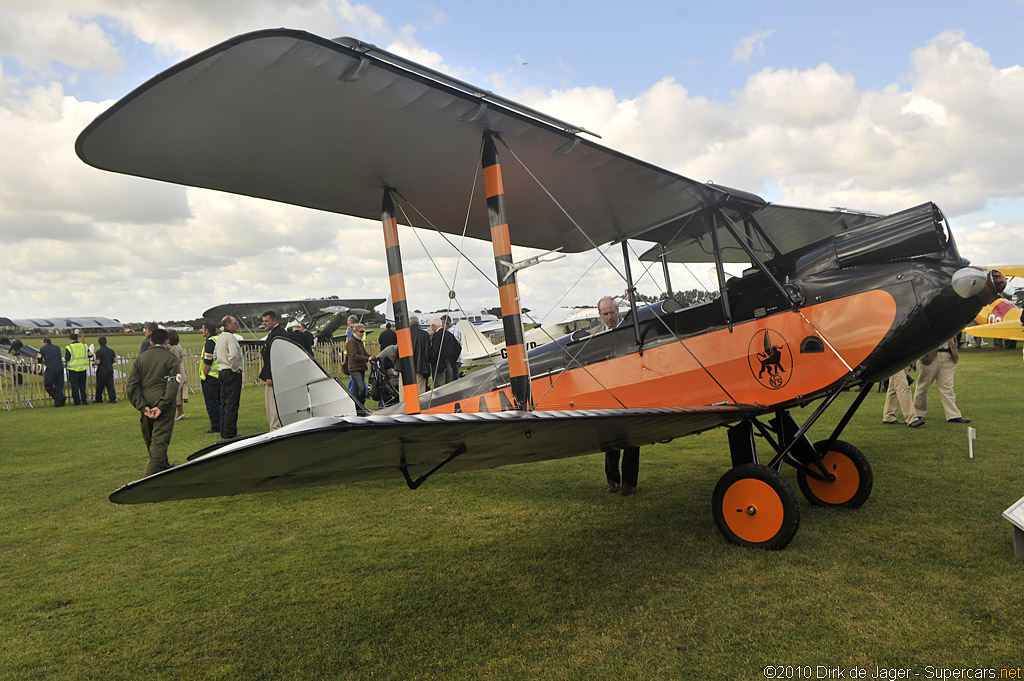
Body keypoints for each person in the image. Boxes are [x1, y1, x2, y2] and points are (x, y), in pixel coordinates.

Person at [596, 295, 640, 496]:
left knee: (631, 440)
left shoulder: (628, 331)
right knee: (610, 441)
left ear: (617, 311)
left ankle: (629, 483)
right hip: (607, 393)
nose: (610, 316)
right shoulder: (596, 338)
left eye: (612, 312)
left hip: (630, 390)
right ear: (600, 315)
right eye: (605, 313)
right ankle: (612, 481)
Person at [125, 328, 181, 476]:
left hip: (145, 401)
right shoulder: (171, 358)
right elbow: (172, 384)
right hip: (163, 402)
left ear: (151, 341)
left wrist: (143, 406)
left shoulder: (141, 359)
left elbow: (132, 386)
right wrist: (162, 406)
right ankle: (151, 475)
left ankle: (163, 464)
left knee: (150, 438)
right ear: (166, 341)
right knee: (159, 440)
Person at [913, 338, 970, 424]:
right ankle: (918, 413)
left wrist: (954, 346)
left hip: (949, 355)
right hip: (929, 356)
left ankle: (953, 415)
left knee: (947, 387)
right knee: (923, 387)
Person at [215, 315, 243, 439]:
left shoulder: (220, 337)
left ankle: (223, 429)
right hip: (231, 372)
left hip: (222, 371)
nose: (236, 325)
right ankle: (230, 432)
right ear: (228, 324)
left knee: (224, 402)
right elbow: (234, 354)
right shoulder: (231, 337)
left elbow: (215, 355)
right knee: (232, 403)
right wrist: (234, 368)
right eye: (234, 323)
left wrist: (221, 364)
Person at [258, 310, 287, 430]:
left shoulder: (278, 333)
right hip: (274, 372)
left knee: (272, 403)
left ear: (274, 320)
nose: (264, 323)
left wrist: (270, 376)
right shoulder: (275, 332)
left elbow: (275, 356)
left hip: (274, 374)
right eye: (263, 321)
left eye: (267, 321)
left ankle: (275, 427)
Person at [199, 322, 221, 434]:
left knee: (212, 403)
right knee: (221, 401)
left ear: (207, 330)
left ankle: (216, 425)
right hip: (221, 375)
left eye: (203, 329)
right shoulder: (219, 339)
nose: (202, 331)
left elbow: (208, 361)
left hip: (211, 377)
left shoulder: (210, 342)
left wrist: (204, 374)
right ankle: (223, 422)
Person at [346, 323, 371, 402]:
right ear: (355, 331)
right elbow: (354, 356)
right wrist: (367, 358)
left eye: (363, 331)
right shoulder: (351, 342)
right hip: (354, 368)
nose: (363, 333)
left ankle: (358, 405)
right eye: (361, 331)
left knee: (357, 389)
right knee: (361, 388)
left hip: (361, 368)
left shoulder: (359, 342)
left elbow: (364, 352)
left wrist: (372, 357)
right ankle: (360, 405)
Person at [38, 337, 66, 407]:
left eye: (41, 342)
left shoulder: (42, 349)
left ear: (45, 342)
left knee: (48, 385)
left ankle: (59, 398)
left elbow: (39, 360)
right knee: (59, 386)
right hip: (60, 367)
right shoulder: (57, 347)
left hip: (51, 368)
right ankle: (59, 401)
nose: (41, 344)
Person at [167, 329, 188, 420]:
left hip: (177, 372)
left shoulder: (174, 349)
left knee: (177, 393)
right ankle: (179, 412)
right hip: (180, 370)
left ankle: (180, 413)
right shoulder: (177, 346)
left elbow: (174, 361)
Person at [64, 333, 90, 405]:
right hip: (83, 368)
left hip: (73, 369)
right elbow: (90, 355)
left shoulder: (69, 348)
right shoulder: (84, 346)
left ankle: (77, 401)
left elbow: (67, 358)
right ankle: (84, 400)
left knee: (74, 386)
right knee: (82, 385)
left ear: (70, 339)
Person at [408, 315, 432, 393]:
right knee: (420, 390)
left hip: (406, 367)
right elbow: (427, 351)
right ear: (418, 323)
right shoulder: (424, 334)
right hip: (420, 366)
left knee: (406, 391)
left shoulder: (404, 333)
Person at [93, 336, 118, 403]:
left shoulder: (99, 351)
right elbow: (115, 360)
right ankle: (113, 398)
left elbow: (98, 362)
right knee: (110, 384)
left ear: (99, 343)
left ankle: (98, 399)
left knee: (100, 385)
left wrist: (93, 363)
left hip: (102, 370)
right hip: (109, 369)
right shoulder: (111, 350)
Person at [442, 315, 463, 379]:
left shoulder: (452, 332)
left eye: (442, 323)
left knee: (453, 379)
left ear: (446, 323)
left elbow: (453, 346)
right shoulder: (455, 330)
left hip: (454, 360)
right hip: (456, 359)